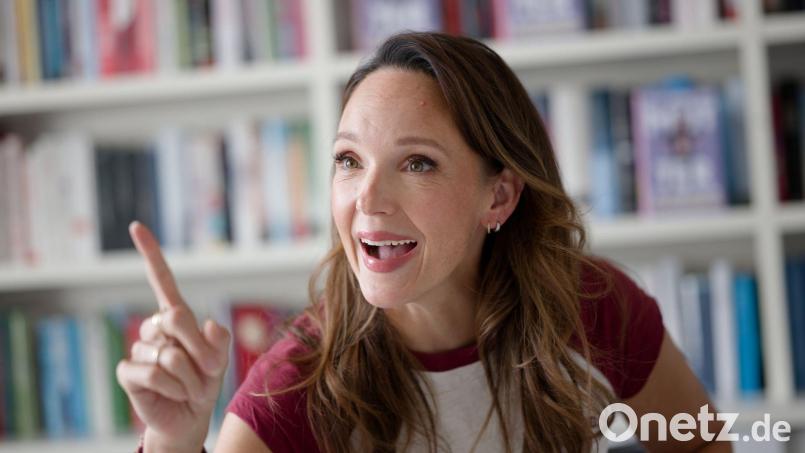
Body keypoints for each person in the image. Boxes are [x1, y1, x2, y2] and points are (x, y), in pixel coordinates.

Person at [118, 32, 732, 453]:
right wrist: (173, 439)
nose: (368, 199)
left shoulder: (595, 305)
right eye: (349, 160)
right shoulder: (297, 385)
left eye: (417, 164)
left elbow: (703, 443)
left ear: (499, 197)